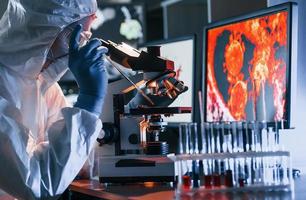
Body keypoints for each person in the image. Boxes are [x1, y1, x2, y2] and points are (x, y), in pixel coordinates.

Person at [0, 0, 108, 199]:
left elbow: (81, 163)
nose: (85, 41)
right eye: (78, 34)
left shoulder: (43, 85)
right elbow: (38, 184)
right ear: (44, 29)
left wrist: (135, 109)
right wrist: (90, 100)